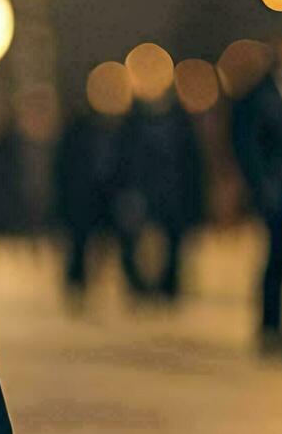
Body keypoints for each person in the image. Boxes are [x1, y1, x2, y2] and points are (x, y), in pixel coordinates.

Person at [231, 33, 282, 355]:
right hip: (275, 190)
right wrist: (263, 184)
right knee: (276, 257)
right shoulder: (260, 96)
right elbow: (251, 145)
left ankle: (278, 322)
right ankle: (269, 323)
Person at [115, 90, 204, 300]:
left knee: (173, 240)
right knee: (133, 242)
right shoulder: (133, 126)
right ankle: (139, 286)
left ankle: (168, 285)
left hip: (171, 191)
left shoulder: (179, 124)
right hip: (141, 191)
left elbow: (191, 164)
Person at [53, 106, 122, 308]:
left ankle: (82, 285)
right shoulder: (82, 139)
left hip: (89, 202)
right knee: (79, 247)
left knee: (87, 246)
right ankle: (77, 286)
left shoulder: (92, 137)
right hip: (80, 202)